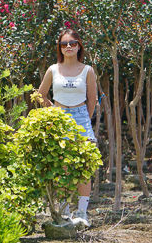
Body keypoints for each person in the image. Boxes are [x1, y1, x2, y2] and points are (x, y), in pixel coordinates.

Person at [37, 28, 97, 226]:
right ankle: (64, 211)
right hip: (59, 117)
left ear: (79, 46)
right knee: (63, 166)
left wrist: (85, 120)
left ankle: (82, 213)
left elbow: (92, 99)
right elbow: (40, 95)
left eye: (72, 43)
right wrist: (53, 110)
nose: (68, 46)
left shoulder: (87, 70)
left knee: (84, 166)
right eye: (64, 44)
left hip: (81, 116)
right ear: (60, 48)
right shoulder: (53, 69)